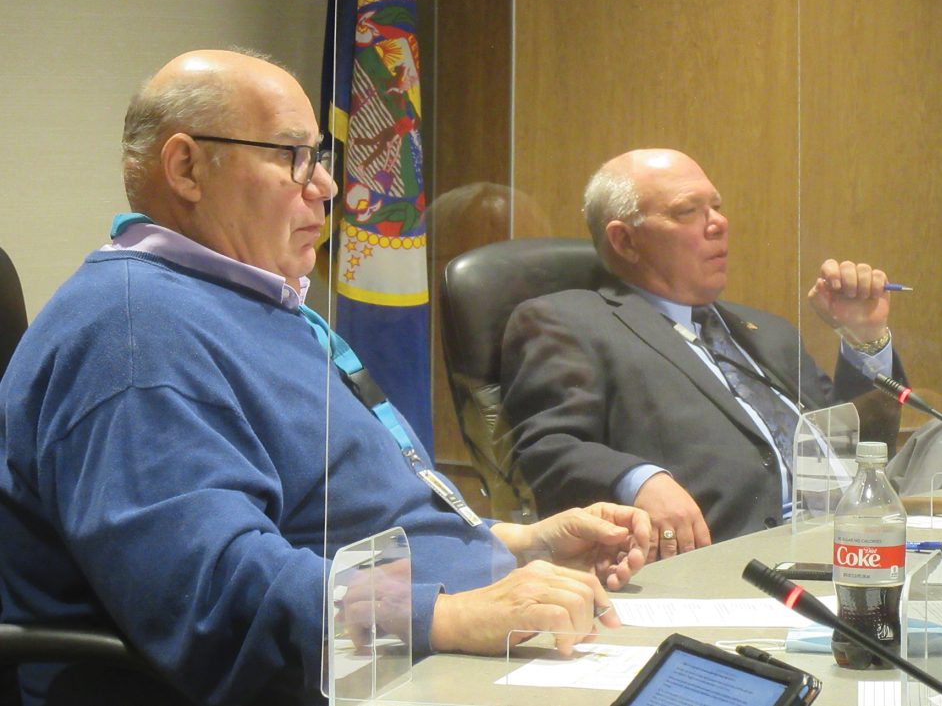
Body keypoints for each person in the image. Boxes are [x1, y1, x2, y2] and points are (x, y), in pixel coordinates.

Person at [0, 50, 649, 706]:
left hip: (428, 656)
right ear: (187, 168)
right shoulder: (133, 333)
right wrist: (447, 616)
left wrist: (516, 544)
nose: (327, 186)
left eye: (319, 156)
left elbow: (344, 515)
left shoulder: (250, 302)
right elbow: (209, 588)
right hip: (357, 678)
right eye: (293, 155)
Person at [499, 148, 903, 555]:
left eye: (716, 207)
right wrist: (641, 479)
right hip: (733, 555)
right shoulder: (570, 322)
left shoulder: (769, 332)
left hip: (856, 538)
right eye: (687, 211)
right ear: (625, 240)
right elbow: (544, 449)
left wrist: (864, 337)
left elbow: (862, 448)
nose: (719, 223)